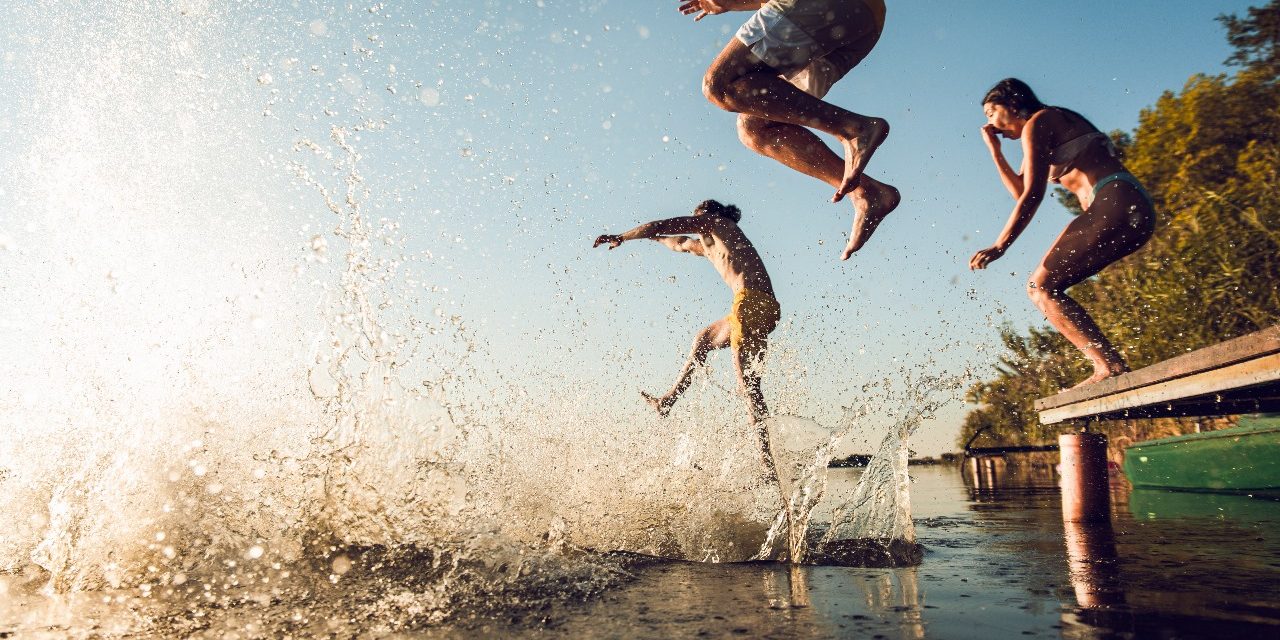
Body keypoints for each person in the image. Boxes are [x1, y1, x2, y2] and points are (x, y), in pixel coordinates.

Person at [677, 0, 899, 260]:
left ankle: (853, 128)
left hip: (828, 7)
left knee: (722, 83)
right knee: (756, 127)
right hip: (860, 23)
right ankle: (866, 192)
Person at [972, 78, 1156, 388]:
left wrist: (1000, 245)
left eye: (991, 112)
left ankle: (1108, 366)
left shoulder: (1039, 121)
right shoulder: (1045, 126)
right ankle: (1110, 365)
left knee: (1040, 287)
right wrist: (995, 152)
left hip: (1112, 198)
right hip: (1131, 207)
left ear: (1013, 104)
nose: (990, 123)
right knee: (1047, 287)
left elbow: (1032, 195)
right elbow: (1020, 191)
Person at [593, 199, 781, 468]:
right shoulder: (711, 246)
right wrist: (653, 238)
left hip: (750, 303)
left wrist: (623, 237)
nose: (697, 220)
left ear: (714, 215)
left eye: (700, 216)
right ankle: (668, 400)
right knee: (703, 339)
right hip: (756, 307)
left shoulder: (719, 224)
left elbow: (663, 224)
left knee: (748, 386)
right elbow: (678, 242)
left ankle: (767, 466)